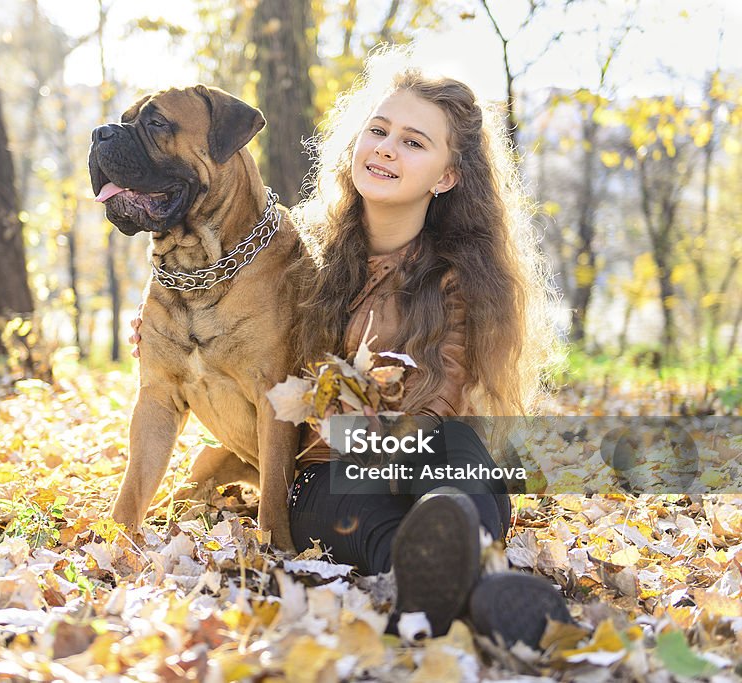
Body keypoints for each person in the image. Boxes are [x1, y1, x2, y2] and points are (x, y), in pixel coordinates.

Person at [131, 46, 571, 647]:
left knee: (454, 455)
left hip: (428, 465)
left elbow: (436, 412)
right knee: (360, 508)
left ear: (448, 176)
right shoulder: (290, 250)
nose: (388, 147)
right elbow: (205, 292)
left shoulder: (461, 279)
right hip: (329, 477)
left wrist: (369, 430)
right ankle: (487, 596)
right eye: (379, 130)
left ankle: (458, 572)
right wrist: (155, 323)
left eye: (415, 142)